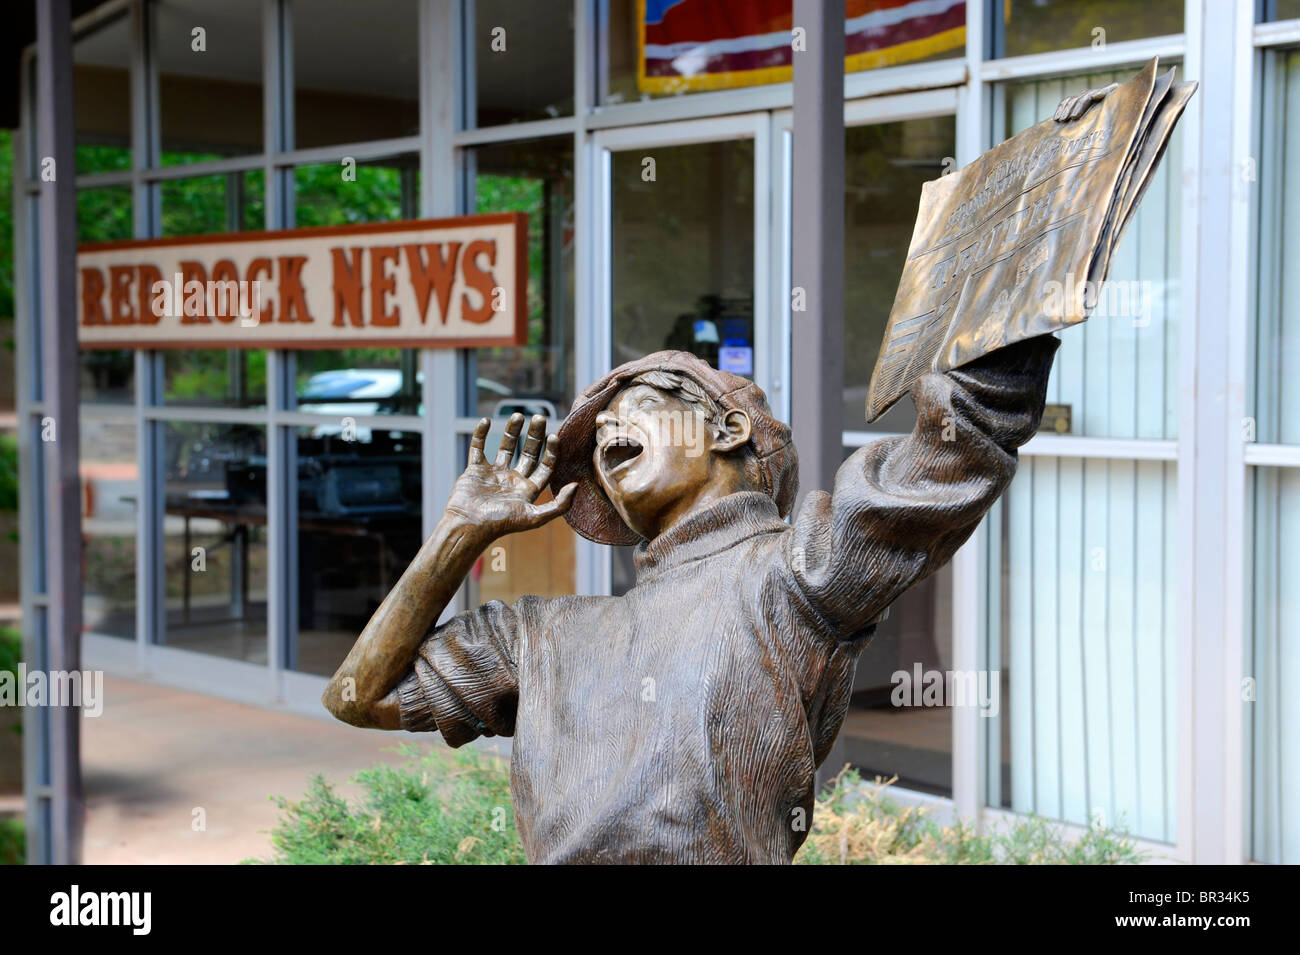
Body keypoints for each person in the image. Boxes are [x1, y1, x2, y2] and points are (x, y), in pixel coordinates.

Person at [322, 87, 1114, 865]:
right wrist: (459, 533)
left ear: (728, 428)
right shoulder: (540, 638)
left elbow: (955, 449)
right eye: (596, 444)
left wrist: (1026, 216)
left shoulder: (792, 576)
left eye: (635, 407)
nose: (607, 440)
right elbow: (361, 696)